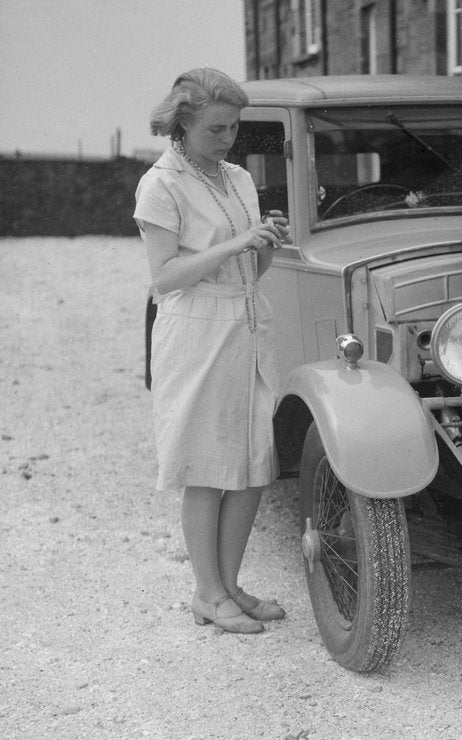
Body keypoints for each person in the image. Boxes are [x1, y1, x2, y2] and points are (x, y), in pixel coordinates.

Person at [134, 68, 289, 634]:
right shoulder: (161, 184)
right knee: (207, 465)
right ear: (183, 124)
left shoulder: (238, 179)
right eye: (216, 129)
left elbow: (252, 266)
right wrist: (237, 241)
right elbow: (166, 277)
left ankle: (230, 586)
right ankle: (206, 593)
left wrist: (264, 241)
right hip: (196, 329)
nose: (227, 140)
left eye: (233, 129)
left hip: (247, 321)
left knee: (251, 465)